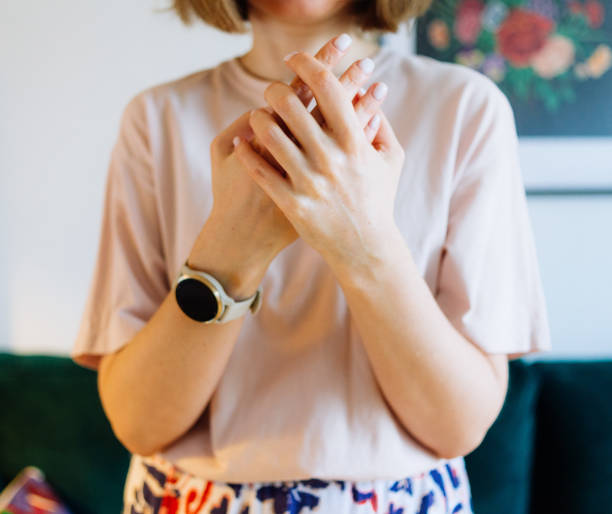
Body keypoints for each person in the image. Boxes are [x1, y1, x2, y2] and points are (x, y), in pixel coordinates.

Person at [71, 0, 552, 512]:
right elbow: (139, 423)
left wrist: (362, 242)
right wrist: (231, 249)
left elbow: (457, 426)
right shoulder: (156, 119)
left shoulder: (464, 110)